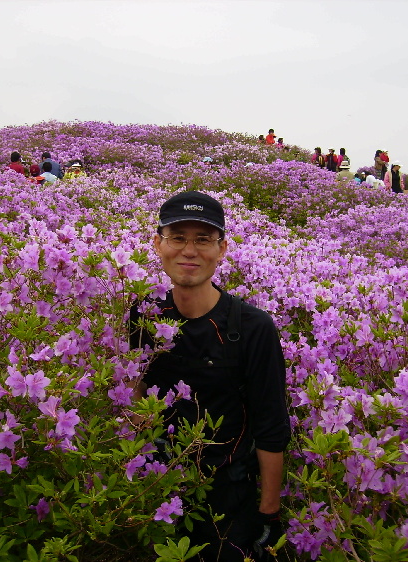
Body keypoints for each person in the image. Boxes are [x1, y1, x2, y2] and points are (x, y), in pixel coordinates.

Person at [130, 191, 291, 561]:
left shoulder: (253, 327)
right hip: (157, 487)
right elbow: (134, 396)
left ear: (222, 249)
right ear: (158, 244)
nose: (190, 250)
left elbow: (271, 426)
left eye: (203, 239)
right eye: (178, 237)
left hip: (227, 501)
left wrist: (269, 513)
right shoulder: (143, 315)